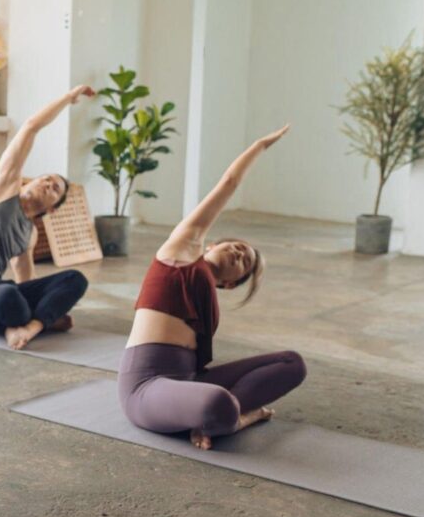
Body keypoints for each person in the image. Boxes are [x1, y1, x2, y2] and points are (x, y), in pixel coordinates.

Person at [120, 126, 306, 450]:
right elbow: (228, 184)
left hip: (189, 381)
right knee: (219, 403)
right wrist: (260, 145)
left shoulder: (208, 296)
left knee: (293, 363)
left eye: (244, 260)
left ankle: (216, 417)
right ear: (210, 245)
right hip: (146, 387)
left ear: (230, 284)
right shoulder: (179, 252)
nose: (237, 252)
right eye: (235, 246)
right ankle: (238, 417)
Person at [0, 85, 95, 350]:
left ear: (52, 209)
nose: (47, 183)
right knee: (8, 295)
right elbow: (31, 126)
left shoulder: (29, 234)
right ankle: (36, 321)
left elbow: (27, 281)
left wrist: (34, 304)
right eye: (46, 178)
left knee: (75, 279)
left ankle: (31, 327)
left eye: (54, 188)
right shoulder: (0, 190)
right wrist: (68, 98)